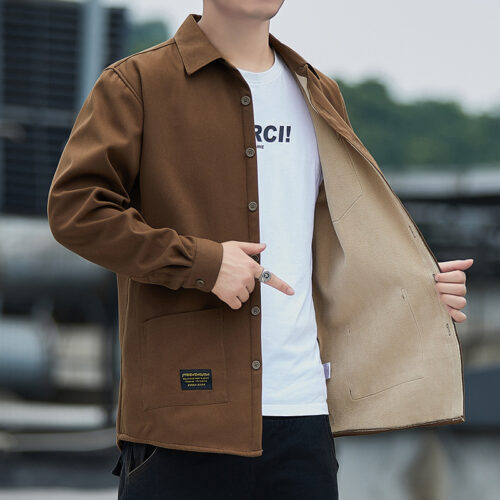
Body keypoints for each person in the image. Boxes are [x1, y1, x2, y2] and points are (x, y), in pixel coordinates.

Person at [47, 1, 472, 498]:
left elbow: (328, 241)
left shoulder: (318, 92)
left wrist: (413, 290)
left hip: (304, 419)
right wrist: (202, 264)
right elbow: (76, 209)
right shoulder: (137, 83)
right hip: (184, 419)